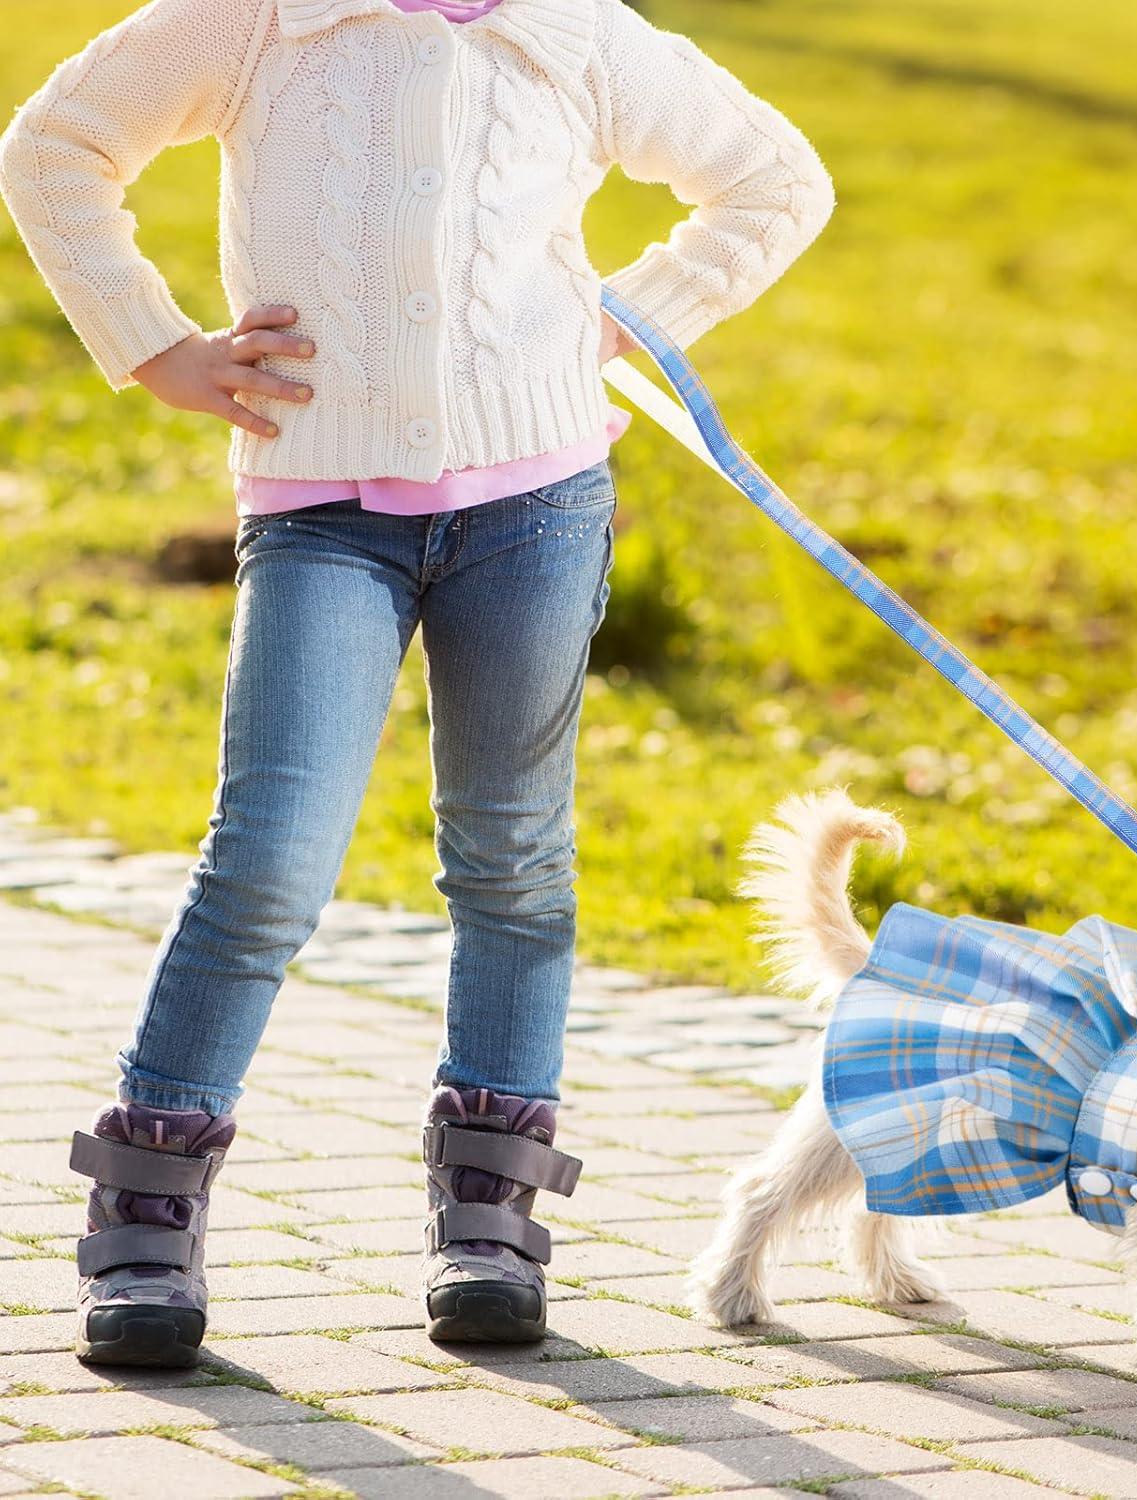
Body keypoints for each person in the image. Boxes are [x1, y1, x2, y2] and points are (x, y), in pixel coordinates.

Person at [0, 0, 834, 1366]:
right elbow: (57, 144)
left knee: (511, 858)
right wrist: (155, 344)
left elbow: (776, 178)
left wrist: (620, 325)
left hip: (538, 506)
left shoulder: (575, 31)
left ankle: (488, 1215)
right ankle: (148, 1197)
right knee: (268, 858)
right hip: (322, 509)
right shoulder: (267, 18)